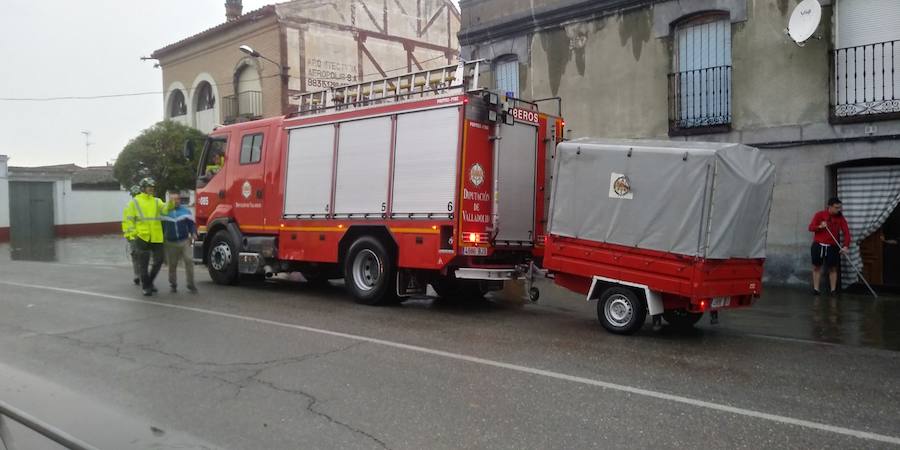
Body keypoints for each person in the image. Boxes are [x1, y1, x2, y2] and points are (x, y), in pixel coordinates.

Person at [122, 177, 172, 296]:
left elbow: (165, 210)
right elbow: (128, 220)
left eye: (153, 187)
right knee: (143, 265)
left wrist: (171, 203)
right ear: (143, 188)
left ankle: (149, 281)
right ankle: (146, 287)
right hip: (142, 237)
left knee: (159, 261)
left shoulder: (157, 201)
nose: (151, 189)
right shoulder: (134, 202)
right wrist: (132, 235)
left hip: (156, 237)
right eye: (149, 187)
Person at [808, 197, 851, 295]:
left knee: (832, 268)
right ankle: (816, 289)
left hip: (832, 246)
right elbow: (810, 228)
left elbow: (846, 233)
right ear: (830, 207)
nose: (839, 210)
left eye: (840, 208)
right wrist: (820, 226)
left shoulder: (840, 218)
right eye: (836, 208)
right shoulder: (820, 215)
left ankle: (833, 290)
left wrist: (845, 246)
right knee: (816, 267)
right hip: (818, 245)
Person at [162, 191, 197, 293]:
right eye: (172, 199)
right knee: (172, 265)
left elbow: (191, 225)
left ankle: (191, 284)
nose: (175, 201)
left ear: (180, 200)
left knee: (189, 260)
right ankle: (173, 283)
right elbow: (161, 227)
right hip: (170, 242)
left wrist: (193, 232)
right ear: (169, 201)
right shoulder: (164, 212)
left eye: (176, 199)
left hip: (184, 240)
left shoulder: (186, 212)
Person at [122, 185, 142, 285]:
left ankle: (143, 274)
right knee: (135, 255)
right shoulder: (129, 206)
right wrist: (128, 235)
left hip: (144, 235)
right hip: (134, 237)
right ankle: (137, 275)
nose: (136, 196)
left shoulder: (144, 206)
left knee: (144, 255)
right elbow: (125, 222)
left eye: (137, 194)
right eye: (134, 195)